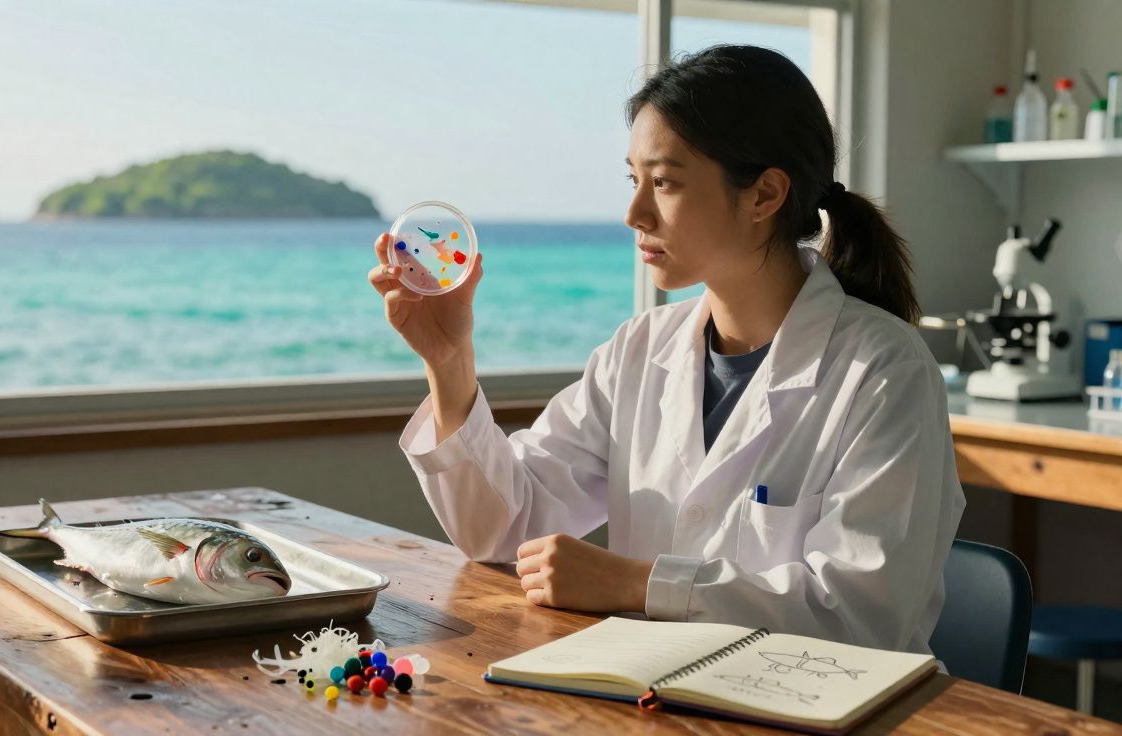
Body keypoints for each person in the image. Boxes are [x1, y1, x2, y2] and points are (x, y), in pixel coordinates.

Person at [367, 44, 965, 657]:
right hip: (656, 700)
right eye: (633, 180)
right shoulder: (640, 351)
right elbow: (502, 529)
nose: (634, 212)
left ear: (764, 196)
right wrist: (449, 360)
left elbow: (864, 616)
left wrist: (636, 583)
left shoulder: (885, 371)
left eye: (664, 182)